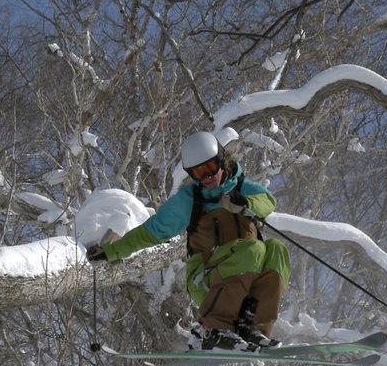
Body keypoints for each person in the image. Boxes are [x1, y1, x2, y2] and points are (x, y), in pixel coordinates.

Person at [86, 131, 291, 352]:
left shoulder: (242, 188)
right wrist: (111, 252)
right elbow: (150, 231)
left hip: (243, 276)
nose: (206, 178)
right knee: (254, 248)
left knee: (277, 249)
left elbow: (268, 201)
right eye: (197, 173)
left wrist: (245, 203)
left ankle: (253, 327)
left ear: (221, 160)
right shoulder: (190, 200)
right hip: (205, 277)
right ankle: (215, 328)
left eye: (209, 169)